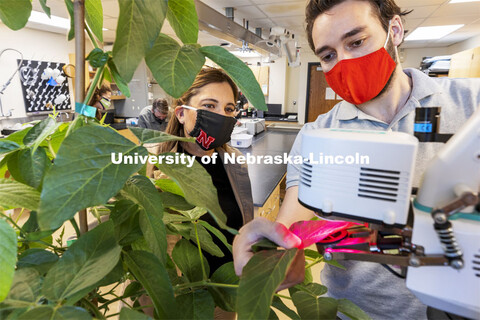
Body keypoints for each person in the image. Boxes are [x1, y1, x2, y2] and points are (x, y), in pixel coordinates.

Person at [232, 0, 480, 319]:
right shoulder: (318, 135)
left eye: (356, 41)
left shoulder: (471, 105)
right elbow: (293, 217)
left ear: (394, 30)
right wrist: (273, 248)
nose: (344, 61)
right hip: (353, 312)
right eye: (329, 55)